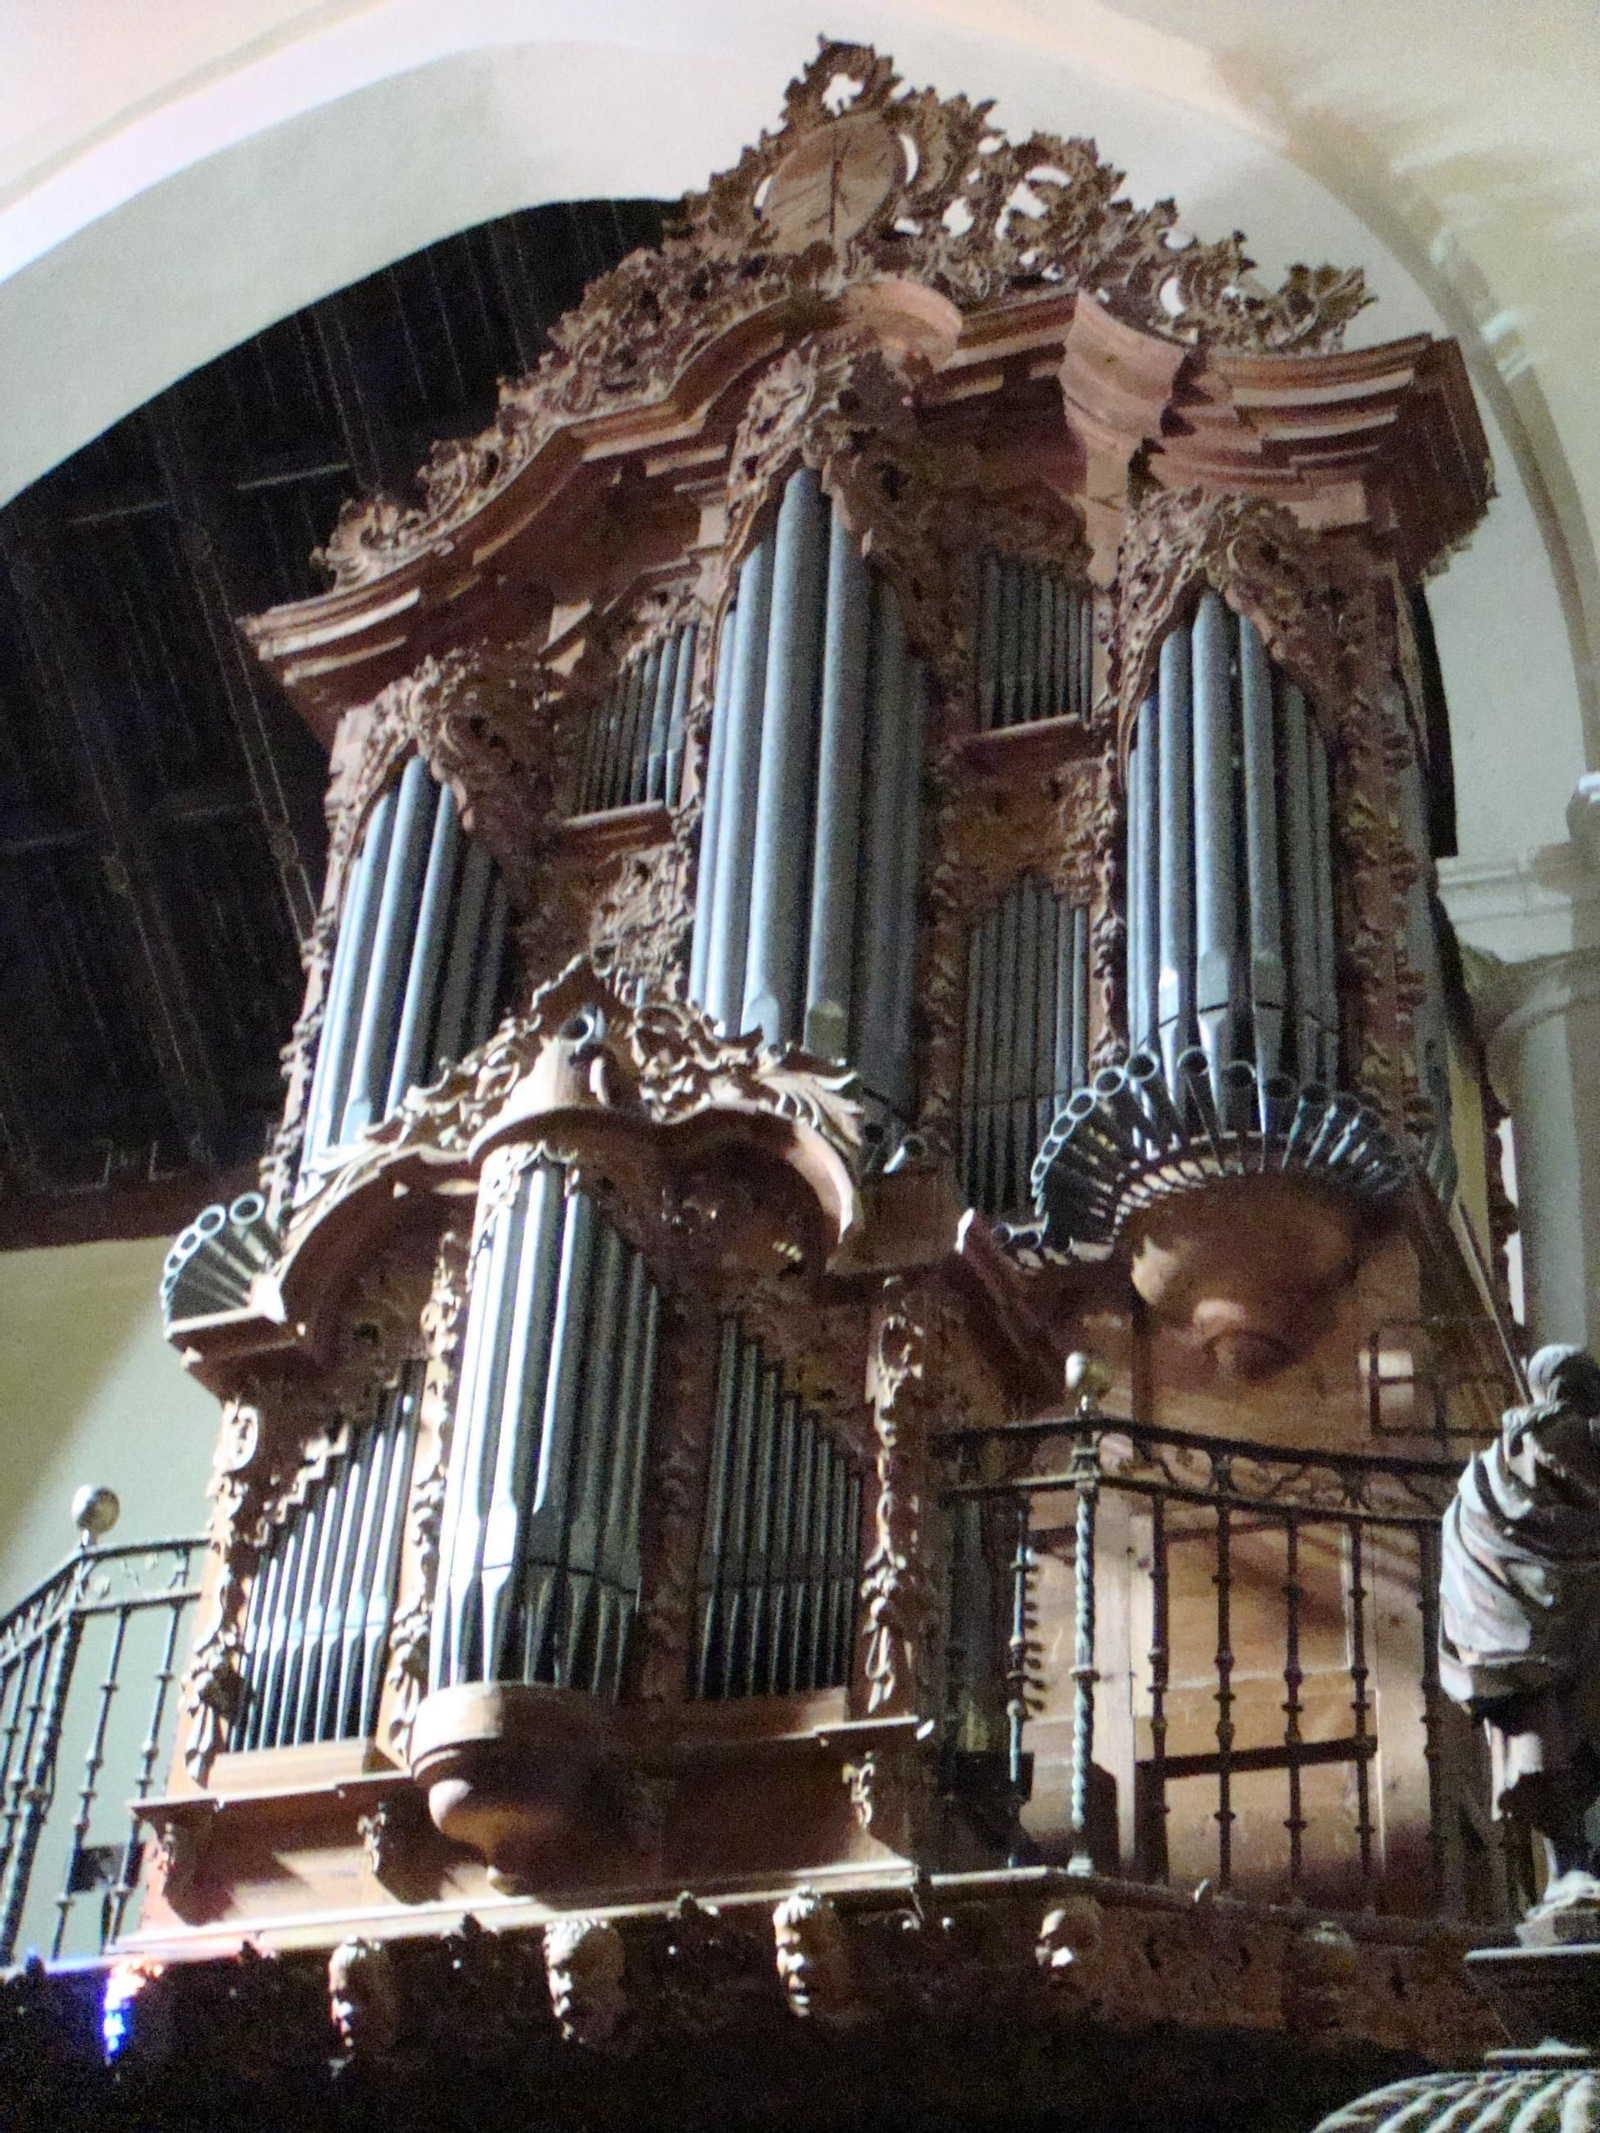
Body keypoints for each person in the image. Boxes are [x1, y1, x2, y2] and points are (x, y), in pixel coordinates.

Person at [1439, 1343, 1600, 1910]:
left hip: (1516, 1644)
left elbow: (1467, 1558)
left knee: (1549, 1752)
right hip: (1559, 1646)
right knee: (1563, 1749)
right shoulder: (1575, 1439)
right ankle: (1573, 1864)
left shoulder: (1481, 1475)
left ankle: (1572, 1861)